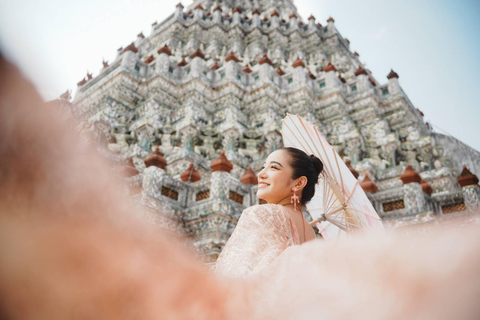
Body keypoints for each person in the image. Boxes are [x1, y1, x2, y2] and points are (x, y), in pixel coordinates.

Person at [215, 147, 323, 277]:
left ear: (299, 183)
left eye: (274, 167)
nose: (260, 174)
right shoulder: (310, 232)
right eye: (263, 167)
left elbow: (234, 275)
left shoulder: (264, 213)